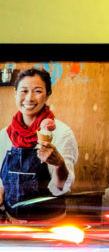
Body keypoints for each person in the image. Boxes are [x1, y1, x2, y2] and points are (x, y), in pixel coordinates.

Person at [2, 65, 80, 212]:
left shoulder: (62, 133)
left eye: (37, 91)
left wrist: (59, 165)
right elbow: (2, 183)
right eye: (24, 91)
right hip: (11, 221)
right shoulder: (5, 134)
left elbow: (60, 188)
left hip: (47, 222)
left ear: (48, 94)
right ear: (15, 93)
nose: (29, 98)